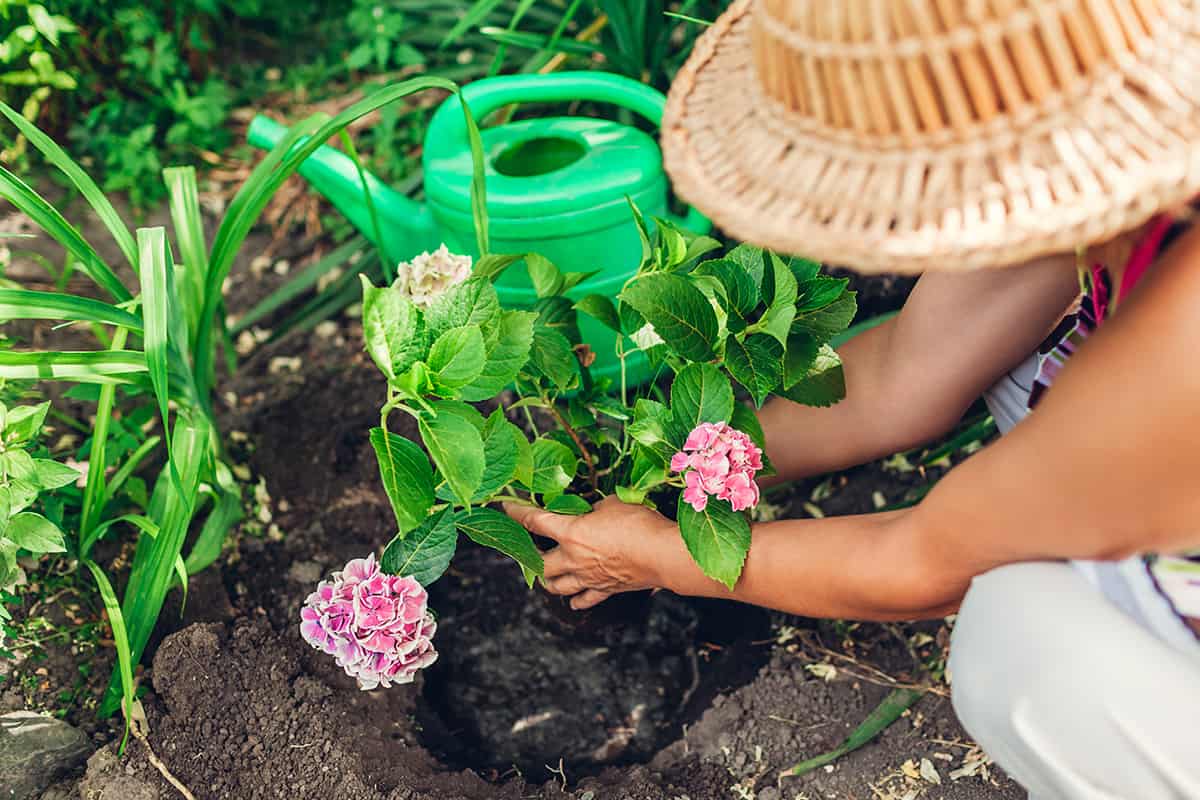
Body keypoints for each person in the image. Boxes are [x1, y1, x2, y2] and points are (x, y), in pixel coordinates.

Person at [505, 1, 1200, 797]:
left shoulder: (1186, 345)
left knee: (1019, 641)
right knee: (1023, 349)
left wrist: (657, 557)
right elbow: (901, 375)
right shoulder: (1108, 147)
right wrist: (672, 460)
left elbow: (922, 561)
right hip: (1139, 466)